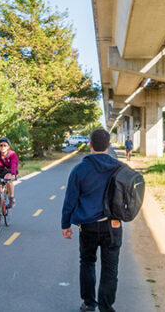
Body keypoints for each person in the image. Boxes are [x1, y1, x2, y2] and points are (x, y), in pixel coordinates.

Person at [61, 128, 123, 312]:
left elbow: (70, 200)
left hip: (87, 226)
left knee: (87, 262)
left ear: (90, 145)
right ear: (109, 146)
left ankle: (89, 303)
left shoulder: (79, 169)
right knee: (110, 268)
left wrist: (65, 224)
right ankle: (106, 306)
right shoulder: (119, 168)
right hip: (113, 225)